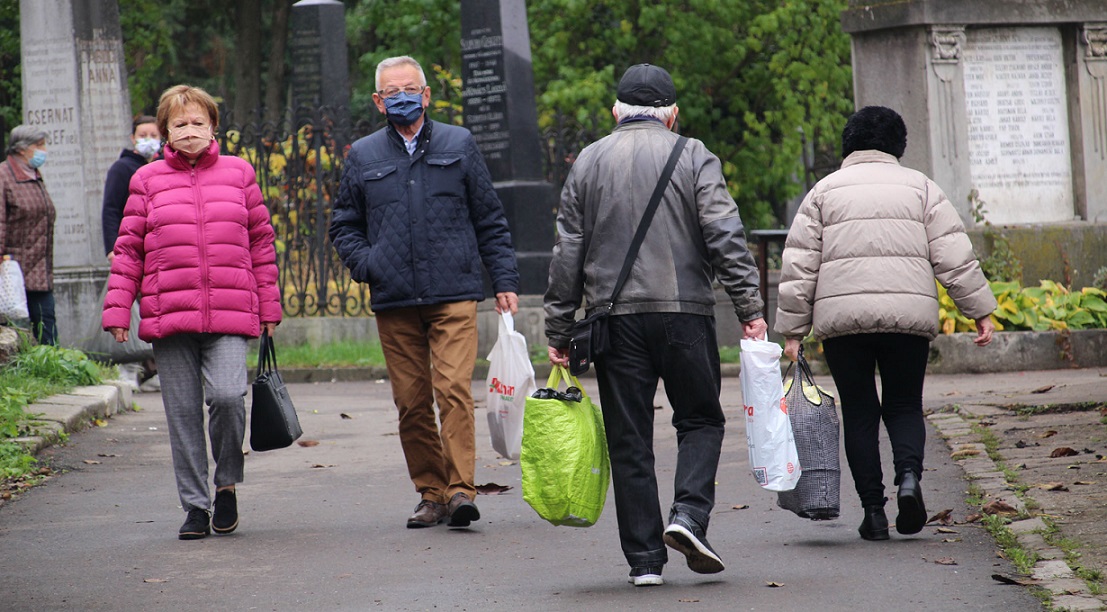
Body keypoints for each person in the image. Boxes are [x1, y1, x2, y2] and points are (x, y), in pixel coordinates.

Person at [544, 64, 767, 587]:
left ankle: (644, 562)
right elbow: (724, 235)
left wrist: (558, 328)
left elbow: (566, 252)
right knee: (701, 420)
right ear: (672, 114)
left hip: (613, 321)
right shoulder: (694, 154)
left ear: (616, 112)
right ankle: (688, 515)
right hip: (685, 313)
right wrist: (750, 309)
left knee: (629, 438)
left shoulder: (588, 161)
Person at [775, 105, 997, 542]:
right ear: (898, 145)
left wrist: (793, 332)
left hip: (843, 322)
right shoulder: (921, 188)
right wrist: (979, 310)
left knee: (860, 411)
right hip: (907, 319)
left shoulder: (823, 192)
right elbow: (953, 254)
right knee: (903, 405)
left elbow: (800, 267)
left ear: (848, 144)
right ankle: (910, 480)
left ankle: (874, 512)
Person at [329, 56, 519, 530]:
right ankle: (431, 493)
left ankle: (460, 491)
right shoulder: (364, 155)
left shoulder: (459, 143)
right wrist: (368, 264)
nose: (402, 98)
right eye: (391, 92)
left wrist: (505, 281)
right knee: (412, 402)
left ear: (427, 93)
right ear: (378, 101)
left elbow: (489, 218)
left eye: (409, 89)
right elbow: (344, 224)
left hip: (453, 292)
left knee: (452, 390)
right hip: (394, 299)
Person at [102, 84, 282, 540]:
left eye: (197, 122)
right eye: (179, 124)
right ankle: (196, 507)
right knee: (181, 413)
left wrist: (268, 304)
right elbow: (129, 250)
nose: (189, 131)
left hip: (229, 310)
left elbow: (261, 243)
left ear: (214, 126)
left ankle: (226, 484)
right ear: (164, 131)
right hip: (169, 315)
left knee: (226, 397)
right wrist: (119, 312)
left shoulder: (240, 174)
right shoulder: (145, 180)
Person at [101, 115, 162, 391]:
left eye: (154, 134)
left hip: (159, 251)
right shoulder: (122, 168)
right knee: (131, 311)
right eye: (143, 134)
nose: (148, 139)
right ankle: (129, 365)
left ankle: (156, 367)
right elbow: (111, 209)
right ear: (133, 138)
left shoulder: (162, 166)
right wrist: (113, 248)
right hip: (132, 250)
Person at [0, 125, 58, 345]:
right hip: (12, 272)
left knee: (47, 328)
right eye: (39, 145)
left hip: (40, 270)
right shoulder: (4, 177)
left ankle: (52, 373)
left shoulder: (34, 175)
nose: (43, 150)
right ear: (22, 149)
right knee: (17, 334)